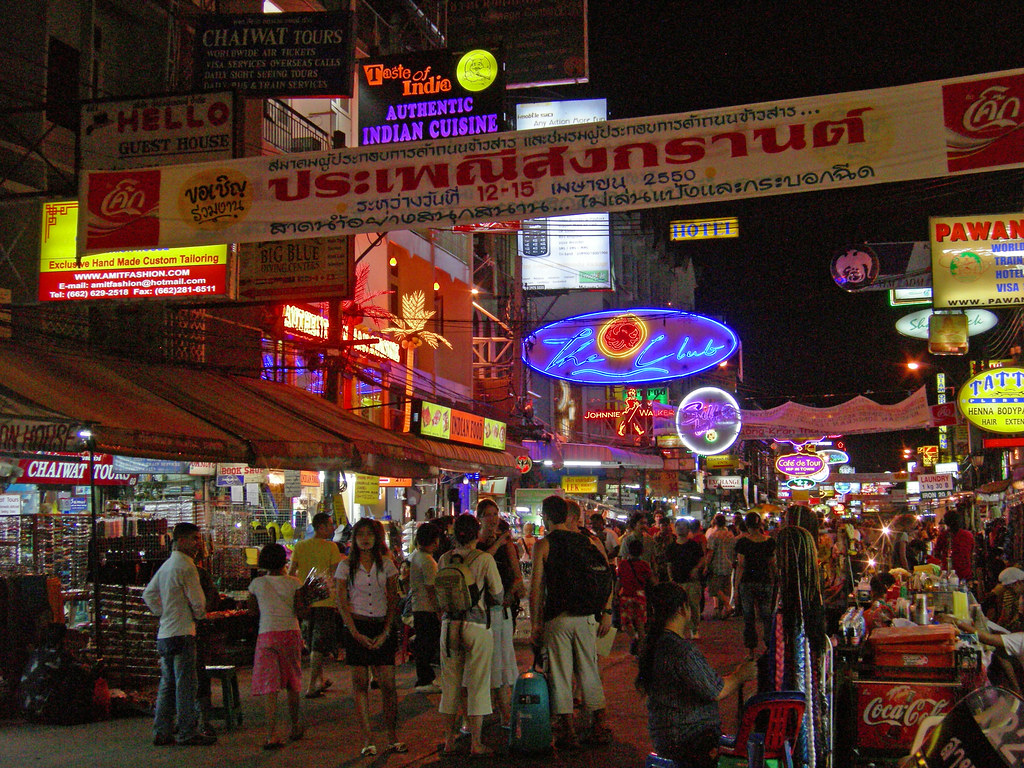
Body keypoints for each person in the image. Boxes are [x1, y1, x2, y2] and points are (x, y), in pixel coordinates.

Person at [635, 582, 757, 768]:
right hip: (689, 738)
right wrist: (742, 675)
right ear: (682, 609)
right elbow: (716, 690)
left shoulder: (655, 643)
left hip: (665, 735)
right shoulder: (680, 650)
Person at [530, 495, 613, 749]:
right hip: (588, 617)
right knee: (588, 669)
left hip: (558, 618)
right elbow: (608, 576)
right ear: (568, 516)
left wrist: (535, 624)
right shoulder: (591, 541)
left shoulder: (543, 545)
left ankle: (566, 730)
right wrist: (607, 611)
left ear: (545, 517)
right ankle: (598, 725)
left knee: (560, 673)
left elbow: (536, 588)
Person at [335, 518, 405, 756]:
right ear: (354, 539)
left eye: (369, 534)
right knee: (360, 685)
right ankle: (368, 739)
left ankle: (392, 736)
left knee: (388, 684)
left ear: (377, 538)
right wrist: (354, 631)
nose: (365, 539)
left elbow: (393, 599)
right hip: (357, 626)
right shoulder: (345, 566)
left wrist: (386, 631)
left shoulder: (386, 564)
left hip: (381, 625)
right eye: (360, 534)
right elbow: (342, 601)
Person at [142, 522, 216, 746]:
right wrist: (199, 615)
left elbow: (148, 595)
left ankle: (161, 730)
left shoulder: (166, 566)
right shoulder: (186, 566)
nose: (198, 543)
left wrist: (164, 613)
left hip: (165, 633)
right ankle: (187, 731)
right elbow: (198, 601)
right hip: (183, 632)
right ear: (181, 540)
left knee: (167, 684)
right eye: (194, 538)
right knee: (186, 684)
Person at [437, 514, 504, 756]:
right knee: (478, 685)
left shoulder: (444, 558)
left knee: (450, 684)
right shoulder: (484, 558)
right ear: (477, 534)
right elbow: (497, 594)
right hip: (476, 626)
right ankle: (476, 743)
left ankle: (448, 741)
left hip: (448, 626)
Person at [248, 543, 304, 749]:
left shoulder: (256, 584)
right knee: (292, 682)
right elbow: (301, 611)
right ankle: (295, 726)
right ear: (284, 561)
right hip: (290, 633)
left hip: (267, 635)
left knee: (270, 686)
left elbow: (252, 612)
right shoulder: (294, 583)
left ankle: (271, 734)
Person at [476, 499, 525, 727]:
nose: (493, 518)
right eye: (488, 514)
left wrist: (510, 594)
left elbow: (517, 577)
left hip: (501, 610)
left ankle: (506, 713)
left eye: (495, 513)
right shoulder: (477, 546)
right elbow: (479, 563)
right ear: (480, 518)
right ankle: (496, 712)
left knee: (503, 662)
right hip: (480, 612)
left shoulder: (507, 546)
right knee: (488, 664)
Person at [288, 512, 342, 699]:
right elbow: (335, 575)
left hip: (306, 602)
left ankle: (320, 679)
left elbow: (291, 572)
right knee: (319, 644)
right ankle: (312, 685)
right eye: (330, 525)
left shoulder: (301, 546)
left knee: (311, 641)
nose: (333, 528)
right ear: (320, 527)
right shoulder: (331, 547)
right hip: (325, 600)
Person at [734, 511, 776, 652]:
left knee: (749, 616)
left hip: (747, 581)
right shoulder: (769, 542)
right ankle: (769, 646)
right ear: (760, 525)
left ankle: (751, 649)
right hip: (765, 581)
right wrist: (776, 580)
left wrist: (736, 587)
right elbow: (772, 564)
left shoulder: (743, 542)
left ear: (746, 525)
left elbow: (741, 565)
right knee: (766, 615)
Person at [408, 522, 442, 694]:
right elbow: (431, 589)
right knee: (427, 644)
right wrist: (438, 610)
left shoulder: (416, 556)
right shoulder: (428, 561)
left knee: (424, 643)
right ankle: (425, 678)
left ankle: (425, 677)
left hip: (418, 606)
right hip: (426, 608)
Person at [662, 519, 704, 637]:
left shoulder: (693, 545)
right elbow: (669, 565)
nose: (680, 528)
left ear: (688, 529)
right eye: (678, 526)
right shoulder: (671, 547)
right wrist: (671, 579)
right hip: (677, 581)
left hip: (692, 581)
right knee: (678, 608)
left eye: (683, 526)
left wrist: (696, 568)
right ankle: (680, 630)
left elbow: (702, 558)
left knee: (693, 606)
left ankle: (694, 629)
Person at [618, 538, 656, 655]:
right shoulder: (644, 565)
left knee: (626, 621)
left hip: (626, 595)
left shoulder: (623, 564)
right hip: (640, 596)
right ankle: (642, 647)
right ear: (641, 552)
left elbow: (619, 581)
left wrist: (615, 594)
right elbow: (652, 581)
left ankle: (633, 638)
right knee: (640, 622)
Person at [702, 513, 735, 620]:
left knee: (714, 588)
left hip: (716, 566)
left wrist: (706, 565)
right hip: (728, 565)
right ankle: (722, 612)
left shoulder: (714, 536)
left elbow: (710, 552)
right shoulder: (730, 535)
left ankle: (728, 606)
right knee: (726, 589)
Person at [934, 507, 974, 582]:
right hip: (966, 571)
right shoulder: (968, 535)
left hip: (948, 572)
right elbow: (971, 552)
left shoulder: (943, 536)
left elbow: (937, 553)